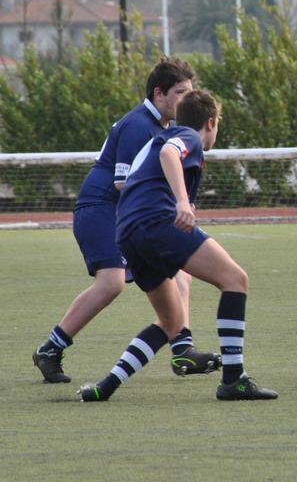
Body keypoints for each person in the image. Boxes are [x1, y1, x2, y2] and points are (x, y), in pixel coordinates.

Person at [79, 89, 277, 402]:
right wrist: (182, 203)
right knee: (235, 280)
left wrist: (181, 202)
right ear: (210, 123)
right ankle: (234, 380)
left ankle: (105, 387)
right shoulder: (188, 137)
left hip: (127, 233)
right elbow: (169, 154)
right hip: (155, 222)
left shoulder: (162, 138)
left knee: (172, 322)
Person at [33, 57, 220, 383]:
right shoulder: (139, 125)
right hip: (102, 209)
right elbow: (125, 183)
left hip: (127, 212)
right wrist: (173, 206)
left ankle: (182, 350)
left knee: (180, 273)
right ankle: (51, 348)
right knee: (112, 282)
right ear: (159, 93)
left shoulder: (165, 129)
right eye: (181, 92)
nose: (187, 99)